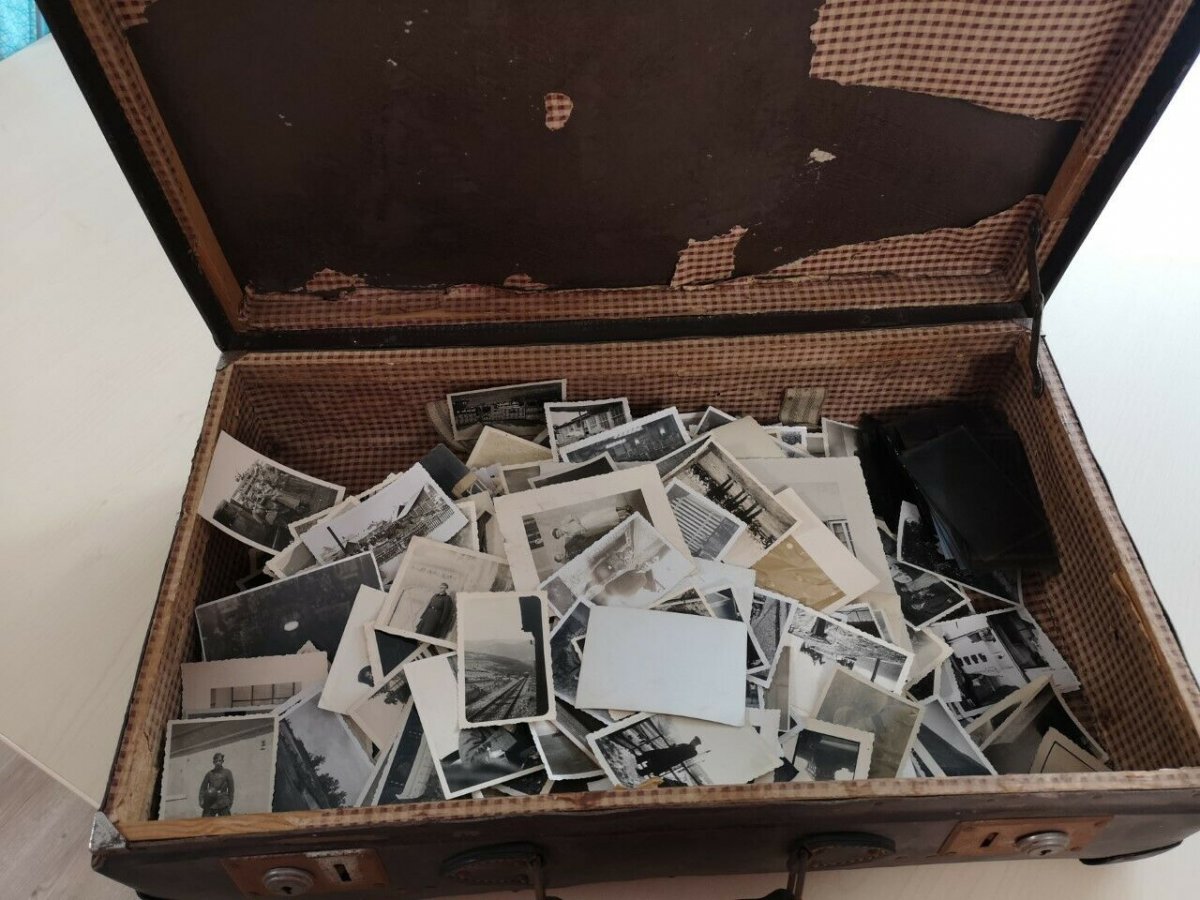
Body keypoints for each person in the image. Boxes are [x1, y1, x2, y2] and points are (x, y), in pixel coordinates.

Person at [634, 736, 702, 777]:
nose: (692, 741)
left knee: (655, 765)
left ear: (696, 744)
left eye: (694, 741)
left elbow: (682, 754)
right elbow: (675, 748)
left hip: (670, 759)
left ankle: (641, 772)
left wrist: (676, 748)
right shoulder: (685, 745)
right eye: (692, 740)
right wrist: (673, 746)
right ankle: (636, 761)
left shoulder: (693, 752)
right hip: (666, 753)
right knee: (650, 754)